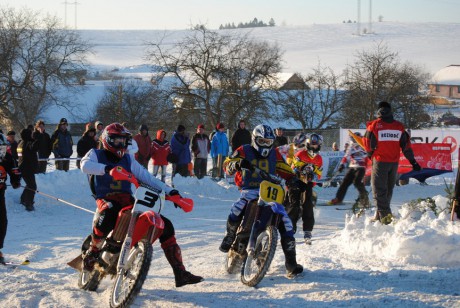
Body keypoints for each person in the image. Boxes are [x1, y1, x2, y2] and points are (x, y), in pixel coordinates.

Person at [80, 123, 203, 287]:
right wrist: (108, 169)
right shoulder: (96, 153)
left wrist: (171, 192)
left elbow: (147, 177)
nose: (120, 145)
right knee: (108, 212)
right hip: (106, 197)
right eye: (116, 140)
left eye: (123, 141)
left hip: (126, 198)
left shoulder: (128, 159)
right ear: (107, 140)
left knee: (166, 226)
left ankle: (180, 273)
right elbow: (84, 165)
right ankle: (93, 252)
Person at [219, 124, 306, 277]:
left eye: (268, 142)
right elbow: (226, 165)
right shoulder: (244, 150)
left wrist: (294, 180)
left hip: (270, 192)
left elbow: (285, 170)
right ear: (255, 139)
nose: (266, 145)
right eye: (262, 141)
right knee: (238, 207)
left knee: (286, 223)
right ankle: (230, 235)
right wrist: (236, 164)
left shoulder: (275, 154)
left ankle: (291, 263)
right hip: (250, 191)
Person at [363, 101, 421, 224]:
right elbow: (406, 146)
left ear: (378, 111)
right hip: (394, 163)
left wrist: (370, 154)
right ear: (390, 111)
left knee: (379, 190)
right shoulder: (399, 126)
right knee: (388, 189)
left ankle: (386, 218)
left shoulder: (374, 125)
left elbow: (367, 142)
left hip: (380, 162)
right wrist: (413, 162)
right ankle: (380, 216)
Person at [290, 133, 323, 244]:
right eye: (312, 145)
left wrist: (314, 176)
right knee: (294, 205)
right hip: (296, 181)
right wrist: (300, 170)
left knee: (308, 204)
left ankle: (307, 230)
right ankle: (290, 230)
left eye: (316, 145)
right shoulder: (301, 154)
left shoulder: (319, 159)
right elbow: (293, 168)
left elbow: (319, 173)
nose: (314, 147)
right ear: (308, 145)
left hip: (307, 183)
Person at [328, 132, 370, 207]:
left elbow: (367, 155)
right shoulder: (351, 146)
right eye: (352, 139)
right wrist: (342, 165)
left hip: (361, 167)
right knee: (345, 182)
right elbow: (346, 156)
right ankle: (338, 198)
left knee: (357, 181)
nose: (353, 141)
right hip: (352, 167)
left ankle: (364, 199)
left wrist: (362, 153)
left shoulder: (363, 145)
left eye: (355, 139)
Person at [0, 133, 21, 264]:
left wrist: (15, 180)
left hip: (0, 192)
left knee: (2, 221)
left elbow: (14, 169)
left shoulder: (6, 157)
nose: (2, 150)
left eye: (2, 148)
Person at [17, 128, 39, 211]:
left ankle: (23, 199)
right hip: (27, 168)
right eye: (31, 134)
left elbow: (19, 154)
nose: (32, 135)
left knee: (29, 184)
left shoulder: (20, 143)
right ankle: (28, 203)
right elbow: (34, 147)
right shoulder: (28, 143)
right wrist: (37, 138)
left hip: (22, 167)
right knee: (32, 186)